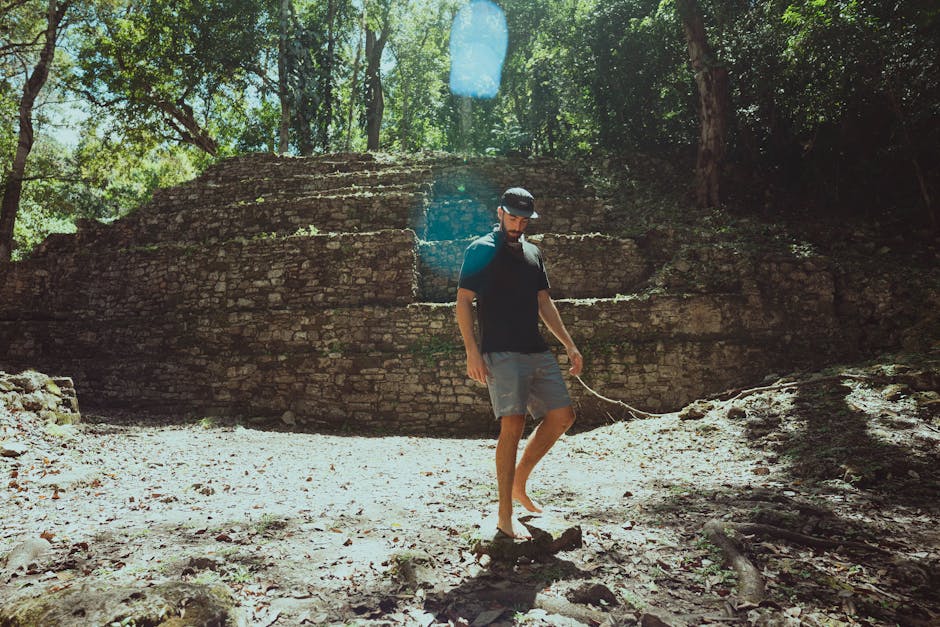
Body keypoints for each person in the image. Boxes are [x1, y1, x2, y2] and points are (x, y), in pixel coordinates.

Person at [455, 187, 584, 540]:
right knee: (512, 425)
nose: (517, 224)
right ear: (499, 213)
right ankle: (504, 515)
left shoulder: (533, 253)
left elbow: (544, 302)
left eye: (523, 219)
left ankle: (520, 481)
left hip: (535, 349)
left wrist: (569, 344)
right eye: (512, 217)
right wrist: (472, 351)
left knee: (563, 417)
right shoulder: (479, 250)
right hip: (500, 351)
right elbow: (464, 301)